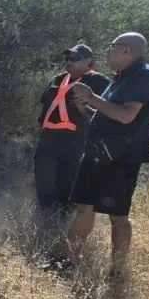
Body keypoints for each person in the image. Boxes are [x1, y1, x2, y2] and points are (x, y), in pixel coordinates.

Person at [57, 33, 149, 275]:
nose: (108, 51)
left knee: (118, 216)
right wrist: (86, 105)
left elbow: (126, 116)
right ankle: (69, 262)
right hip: (98, 153)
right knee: (84, 206)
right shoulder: (121, 77)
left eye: (112, 46)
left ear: (126, 50)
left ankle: (117, 272)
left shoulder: (144, 76)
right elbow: (107, 115)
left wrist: (92, 96)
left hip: (121, 159)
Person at [33, 45, 110, 217]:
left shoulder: (99, 81)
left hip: (76, 140)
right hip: (49, 138)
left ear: (88, 61)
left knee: (68, 180)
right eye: (67, 58)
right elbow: (46, 105)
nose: (69, 62)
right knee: (44, 179)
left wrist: (85, 108)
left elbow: (107, 114)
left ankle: (64, 220)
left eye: (74, 58)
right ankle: (46, 218)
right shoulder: (58, 78)